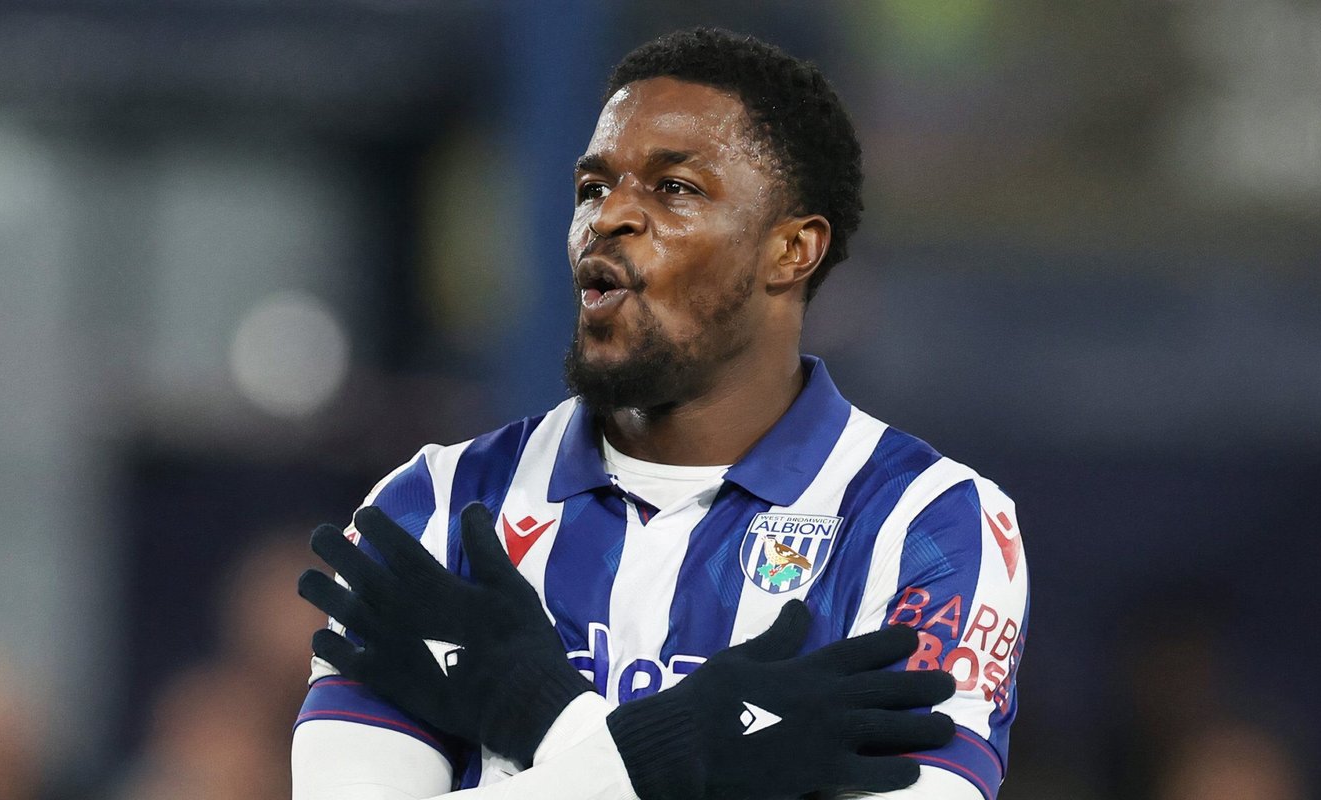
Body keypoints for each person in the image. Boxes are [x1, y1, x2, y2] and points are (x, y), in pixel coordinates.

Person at [292, 27, 1029, 800]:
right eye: (592, 187)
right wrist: (673, 752)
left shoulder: (927, 524)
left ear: (792, 250)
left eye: (674, 188)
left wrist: (547, 712)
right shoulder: (435, 509)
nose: (609, 216)